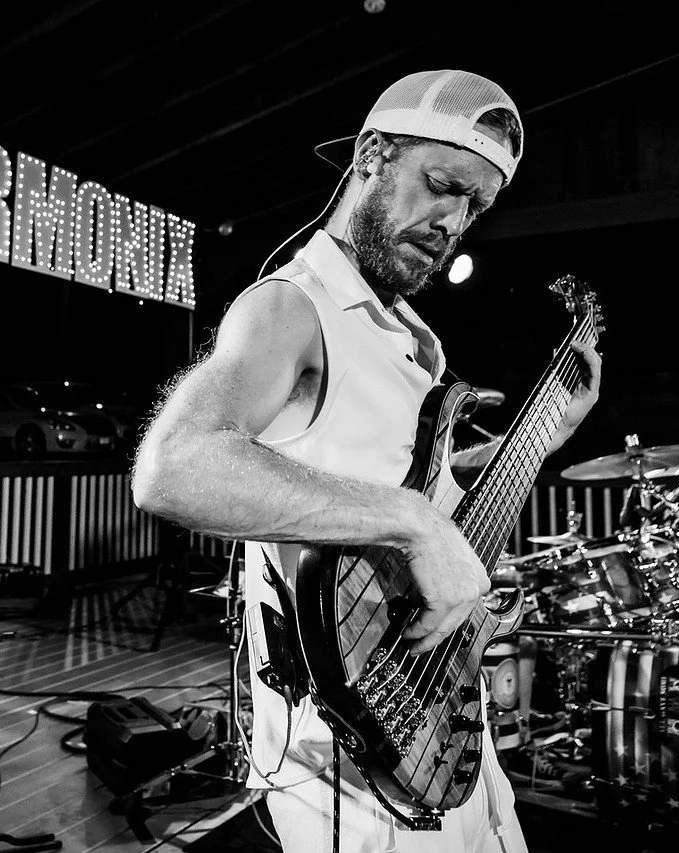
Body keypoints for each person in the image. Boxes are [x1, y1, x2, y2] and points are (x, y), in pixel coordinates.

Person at [132, 70, 601, 853]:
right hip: (347, 751)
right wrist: (415, 525)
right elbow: (173, 465)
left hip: (440, 711)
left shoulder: (412, 338)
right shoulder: (292, 305)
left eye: (474, 207)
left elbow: (434, 502)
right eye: (442, 185)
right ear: (373, 154)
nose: (452, 219)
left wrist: (541, 435)